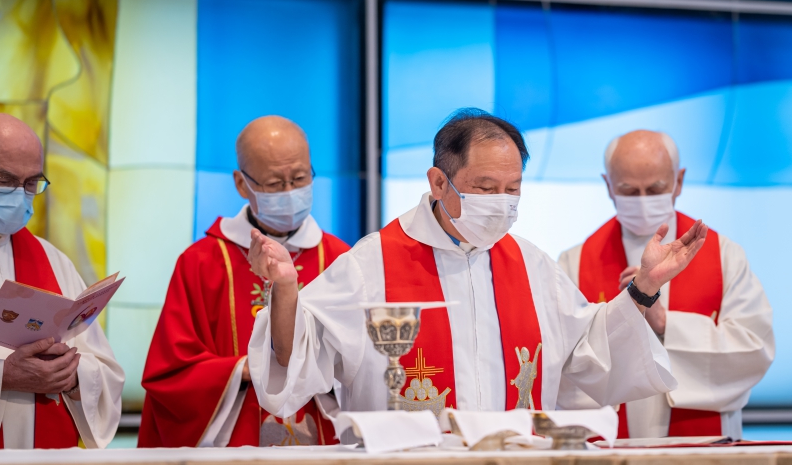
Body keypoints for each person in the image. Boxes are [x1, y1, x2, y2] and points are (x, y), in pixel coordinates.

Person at [245, 109, 709, 424]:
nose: (501, 203)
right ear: (438, 182)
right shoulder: (371, 263)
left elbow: (592, 350)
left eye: (513, 188)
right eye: (485, 188)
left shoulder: (532, 266)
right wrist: (285, 288)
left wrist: (644, 287)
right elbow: (294, 357)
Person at [138, 116, 349, 447]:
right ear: (241, 184)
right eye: (275, 184)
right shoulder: (201, 262)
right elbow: (170, 372)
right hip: (233, 444)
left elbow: (360, 362)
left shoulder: (340, 259)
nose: (290, 192)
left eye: (299, 178)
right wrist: (246, 369)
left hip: (321, 442)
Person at [558, 130, 774, 439]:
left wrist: (665, 324)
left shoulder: (725, 255)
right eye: (629, 191)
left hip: (703, 450)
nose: (643, 201)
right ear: (608, 185)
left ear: (679, 181)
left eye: (655, 188)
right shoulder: (574, 263)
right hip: (609, 451)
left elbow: (754, 350)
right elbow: (565, 367)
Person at [0, 113, 124, 449]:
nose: (19, 196)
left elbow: (106, 372)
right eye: (4, 180)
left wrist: (72, 375)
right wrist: (4, 376)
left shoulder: (52, 260)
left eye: (31, 184)